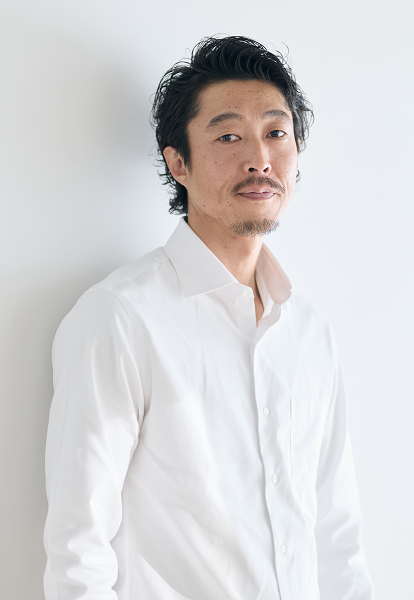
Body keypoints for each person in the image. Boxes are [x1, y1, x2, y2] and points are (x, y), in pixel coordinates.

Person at [44, 36, 375, 600]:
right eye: (228, 136)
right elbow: (79, 551)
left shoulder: (309, 331)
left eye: (276, 133)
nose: (259, 158)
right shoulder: (121, 318)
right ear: (178, 162)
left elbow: (336, 535)